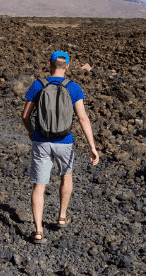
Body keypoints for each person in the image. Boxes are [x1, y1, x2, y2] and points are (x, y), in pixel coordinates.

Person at [21, 51, 99, 244]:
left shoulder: (38, 85)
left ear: (49, 65)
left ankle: (38, 231)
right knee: (66, 176)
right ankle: (62, 216)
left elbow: (25, 115)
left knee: (39, 185)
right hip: (65, 141)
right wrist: (92, 146)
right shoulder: (73, 87)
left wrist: (32, 133)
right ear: (67, 67)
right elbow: (82, 118)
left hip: (41, 140)